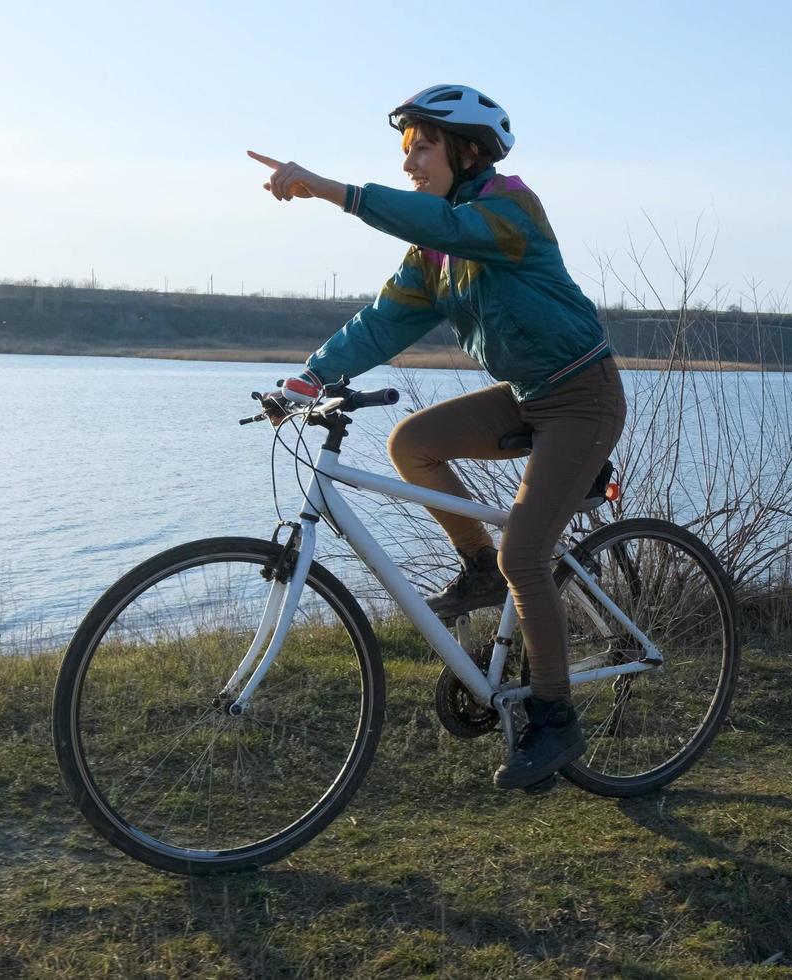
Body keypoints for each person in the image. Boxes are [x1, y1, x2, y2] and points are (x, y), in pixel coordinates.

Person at [248, 84, 625, 790]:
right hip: (527, 397)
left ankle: (555, 717)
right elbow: (384, 321)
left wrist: (329, 189)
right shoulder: (434, 254)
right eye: (405, 151)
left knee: (528, 552)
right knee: (411, 444)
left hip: (582, 397)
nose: (409, 163)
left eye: (421, 147)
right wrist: (310, 376)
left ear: (466, 149)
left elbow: (450, 225)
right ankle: (479, 568)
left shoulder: (509, 209)